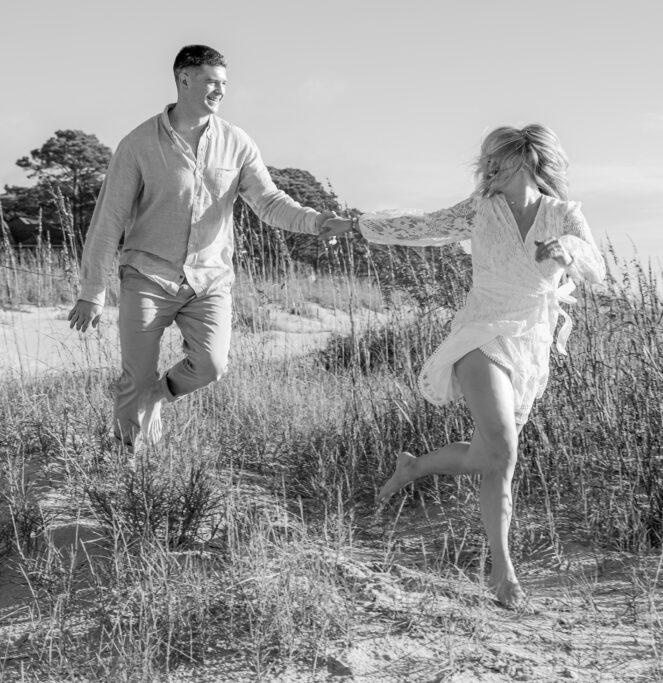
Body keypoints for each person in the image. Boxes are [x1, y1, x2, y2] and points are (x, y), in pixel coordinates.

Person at [321, 124, 605, 608]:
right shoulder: (479, 209)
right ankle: (502, 570)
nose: (487, 167)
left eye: (497, 159)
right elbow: (418, 227)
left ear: (526, 159)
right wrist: (353, 224)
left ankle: (413, 467)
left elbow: (596, 268)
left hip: (531, 340)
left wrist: (568, 251)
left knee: (490, 456)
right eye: (485, 159)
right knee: (505, 452)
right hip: (481, 332)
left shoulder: (562, 214)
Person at [67, 45, 354, 448]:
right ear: (184, 79)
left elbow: (269, 202)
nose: (220, 91)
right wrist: (92, 292)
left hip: (209, 279)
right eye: (211, 82)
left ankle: (157, 395)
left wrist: (318, 222)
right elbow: (108, 219)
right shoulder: (138, 143)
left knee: (211, 365)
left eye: (224, 83)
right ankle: (129, 464)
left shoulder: (236, 142)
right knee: (136, 376)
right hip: (148, 275)